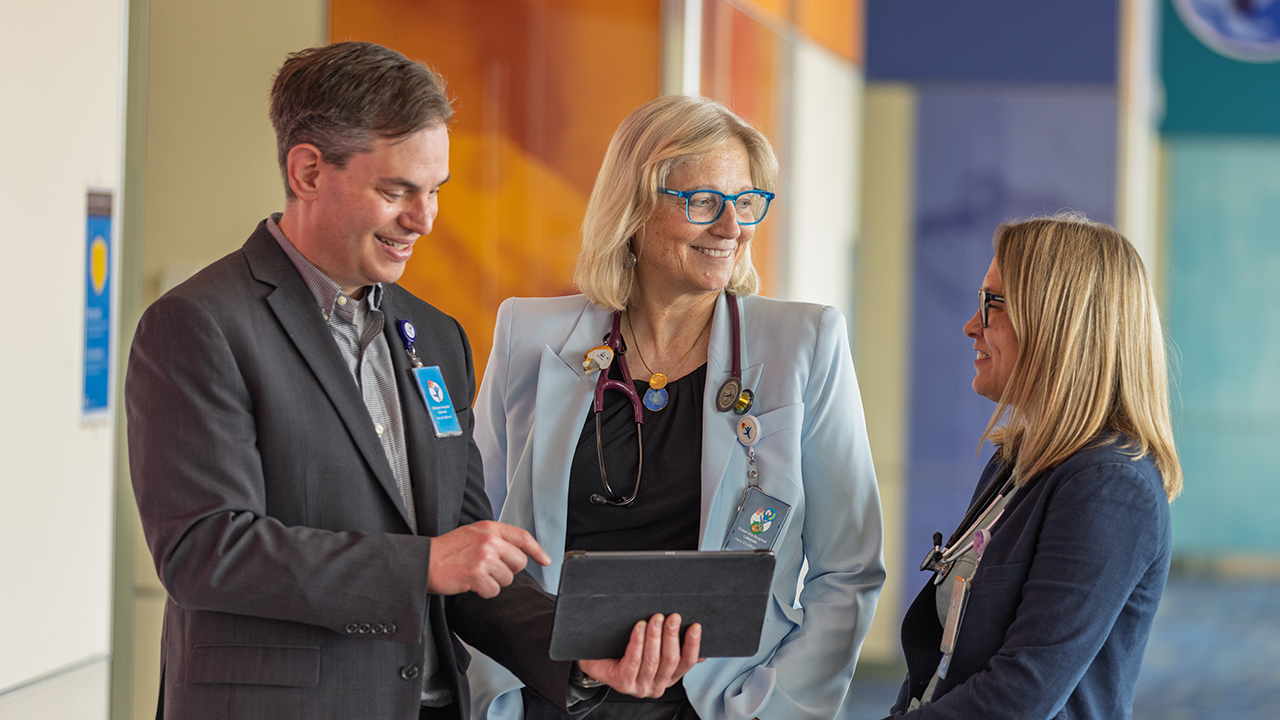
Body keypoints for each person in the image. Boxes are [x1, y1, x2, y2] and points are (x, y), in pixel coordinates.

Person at [126, 41, 695, 720]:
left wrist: (572, 651)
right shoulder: (199, 324)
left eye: (433, 192)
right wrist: (420, 564)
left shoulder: (436, 335)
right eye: (397, 191)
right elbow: (205, 551)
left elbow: (465, 549)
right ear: (307, 171)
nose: (424, 220)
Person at [465, 94, 886, 720]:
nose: (732, 227)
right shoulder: (529, 334)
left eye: (746, 202)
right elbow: (477, 536)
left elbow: (847, 571)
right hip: (551, 697)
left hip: (720, 704)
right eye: (703, 201)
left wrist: (775, 710)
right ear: (632, 207)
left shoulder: (805, 343)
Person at [888, 215, 1182, 718]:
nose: (970, 325)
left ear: (1057, 321)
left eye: (991, 303)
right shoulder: (1019, 459)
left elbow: (1020, 695)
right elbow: (945, 661)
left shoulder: (1111, 487)